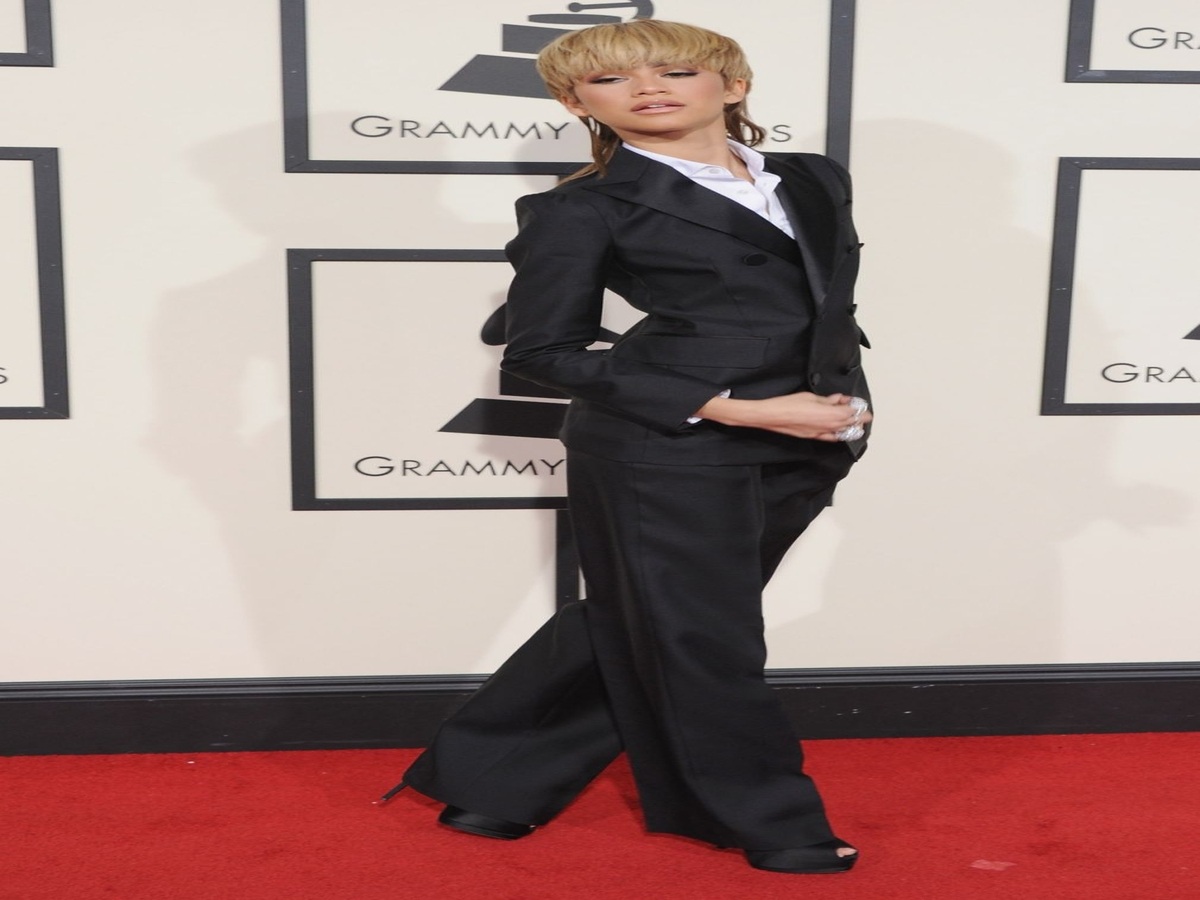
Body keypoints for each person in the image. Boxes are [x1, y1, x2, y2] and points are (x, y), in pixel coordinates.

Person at [384, 19, 871, 875]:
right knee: (705, 635)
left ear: (733, 84)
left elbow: (817, 302)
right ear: (579, 105)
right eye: (611, 82)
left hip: (814, 432)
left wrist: (830, 406)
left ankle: (493, 778)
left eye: (676, 69)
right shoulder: (580, 207)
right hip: (666, 442)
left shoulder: (814, 178)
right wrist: (745, 411)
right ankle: (767, 817)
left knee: (647, 614)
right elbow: (538, 351)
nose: (648, 88)